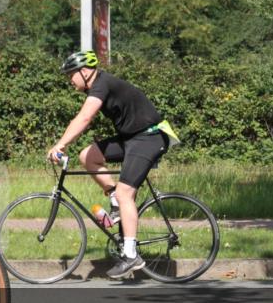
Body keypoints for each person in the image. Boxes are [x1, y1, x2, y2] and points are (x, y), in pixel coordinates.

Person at [46, 51, 178, 279]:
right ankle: (115, 200)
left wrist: (60, 145)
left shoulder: (102, 84)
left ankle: (131, 254)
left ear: (85, 72)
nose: (69, 80)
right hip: (132, 138)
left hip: (150, 137)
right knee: (88, 156)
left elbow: (84, 118)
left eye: (71, 75)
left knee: (127, 193)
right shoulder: (98, 85)